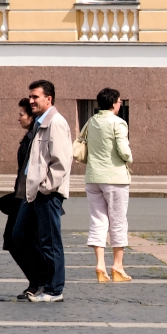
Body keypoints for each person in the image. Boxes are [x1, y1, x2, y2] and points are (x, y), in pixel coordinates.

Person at [12, 80, 72, 303]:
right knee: (19, 235)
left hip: (47, 192)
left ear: (49, 99)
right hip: (33, 191)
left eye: (35, 97)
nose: (31, 100)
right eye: (30, 96)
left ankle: (55, 289)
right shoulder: (40, 122)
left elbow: (62, 162)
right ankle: (44, 279)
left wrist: (47, 187)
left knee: (50, 240)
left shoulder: (56, 123)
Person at [84, 87, 133, 283]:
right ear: (113, 103)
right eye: (120, 101)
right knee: (118, 220)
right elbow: (123, 150)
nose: (120, 104)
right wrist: (129, 157)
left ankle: (100, 265)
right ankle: (117, 266)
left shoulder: (91, 121)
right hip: (115, 177)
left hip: (93, 176)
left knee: (98, 220)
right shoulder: (118, 123)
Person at [0, 98, 40, 300]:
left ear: (31, 117)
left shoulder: (35, 138)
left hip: (29, 197)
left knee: (21, 238)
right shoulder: (28, 137)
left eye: (21, 114)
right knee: (13, 239)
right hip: (20, 195)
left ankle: (41, 280)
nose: (18, 118)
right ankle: (36, 280)